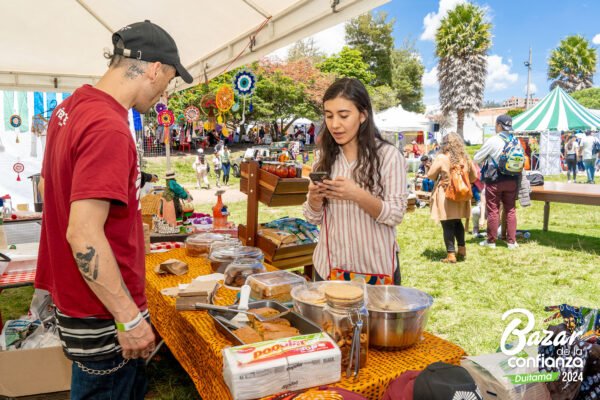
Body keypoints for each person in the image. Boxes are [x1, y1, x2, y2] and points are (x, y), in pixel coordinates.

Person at [34, 20, 192, 399]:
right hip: (101, 310)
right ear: (154, 68)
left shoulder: (70, 108)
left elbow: (56, 193)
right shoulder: (108, 126)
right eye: (168, 80)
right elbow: (83, 233)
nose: (164, 92)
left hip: (80, 301)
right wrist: (128, 316)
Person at [303, 78, 407, 284]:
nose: (334, 124)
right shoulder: (323, 159)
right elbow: (312, 218)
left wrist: (357, 195)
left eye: (343, 115)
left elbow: (395, 214)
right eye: (328, 116)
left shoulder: (388, 156)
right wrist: (314, 200)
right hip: (330, 270)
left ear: (363, 115)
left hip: (376, 273)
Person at [427, 133, 476, 263]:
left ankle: (451, 254)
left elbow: (431, 175)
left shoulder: (442, 157)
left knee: (447, 223)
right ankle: (462, 249)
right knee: (457, 222)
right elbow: (474, 177)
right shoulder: (465, 158)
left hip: (446, 194)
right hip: (462, 194)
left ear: (445, 144)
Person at [474, 114, 520, 249]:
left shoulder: (493, 140)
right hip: (512, 179)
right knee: (510, 210)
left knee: (493, 210)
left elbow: (476, 158)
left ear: (499, 125)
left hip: (495, 179)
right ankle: (512, 242)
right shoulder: (515, 140)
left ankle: (491, 241)